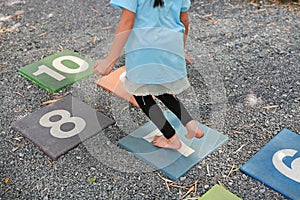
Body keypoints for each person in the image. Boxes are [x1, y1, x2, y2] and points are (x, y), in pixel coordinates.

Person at [93, 0, 204, 150]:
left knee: (141, 95)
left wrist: (110, 60)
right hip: (171, 46)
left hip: (145, 49)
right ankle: (191, 125)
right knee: (161, 88)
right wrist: (180, 49)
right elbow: (184, 20)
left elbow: (127, 22)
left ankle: (171, 138)